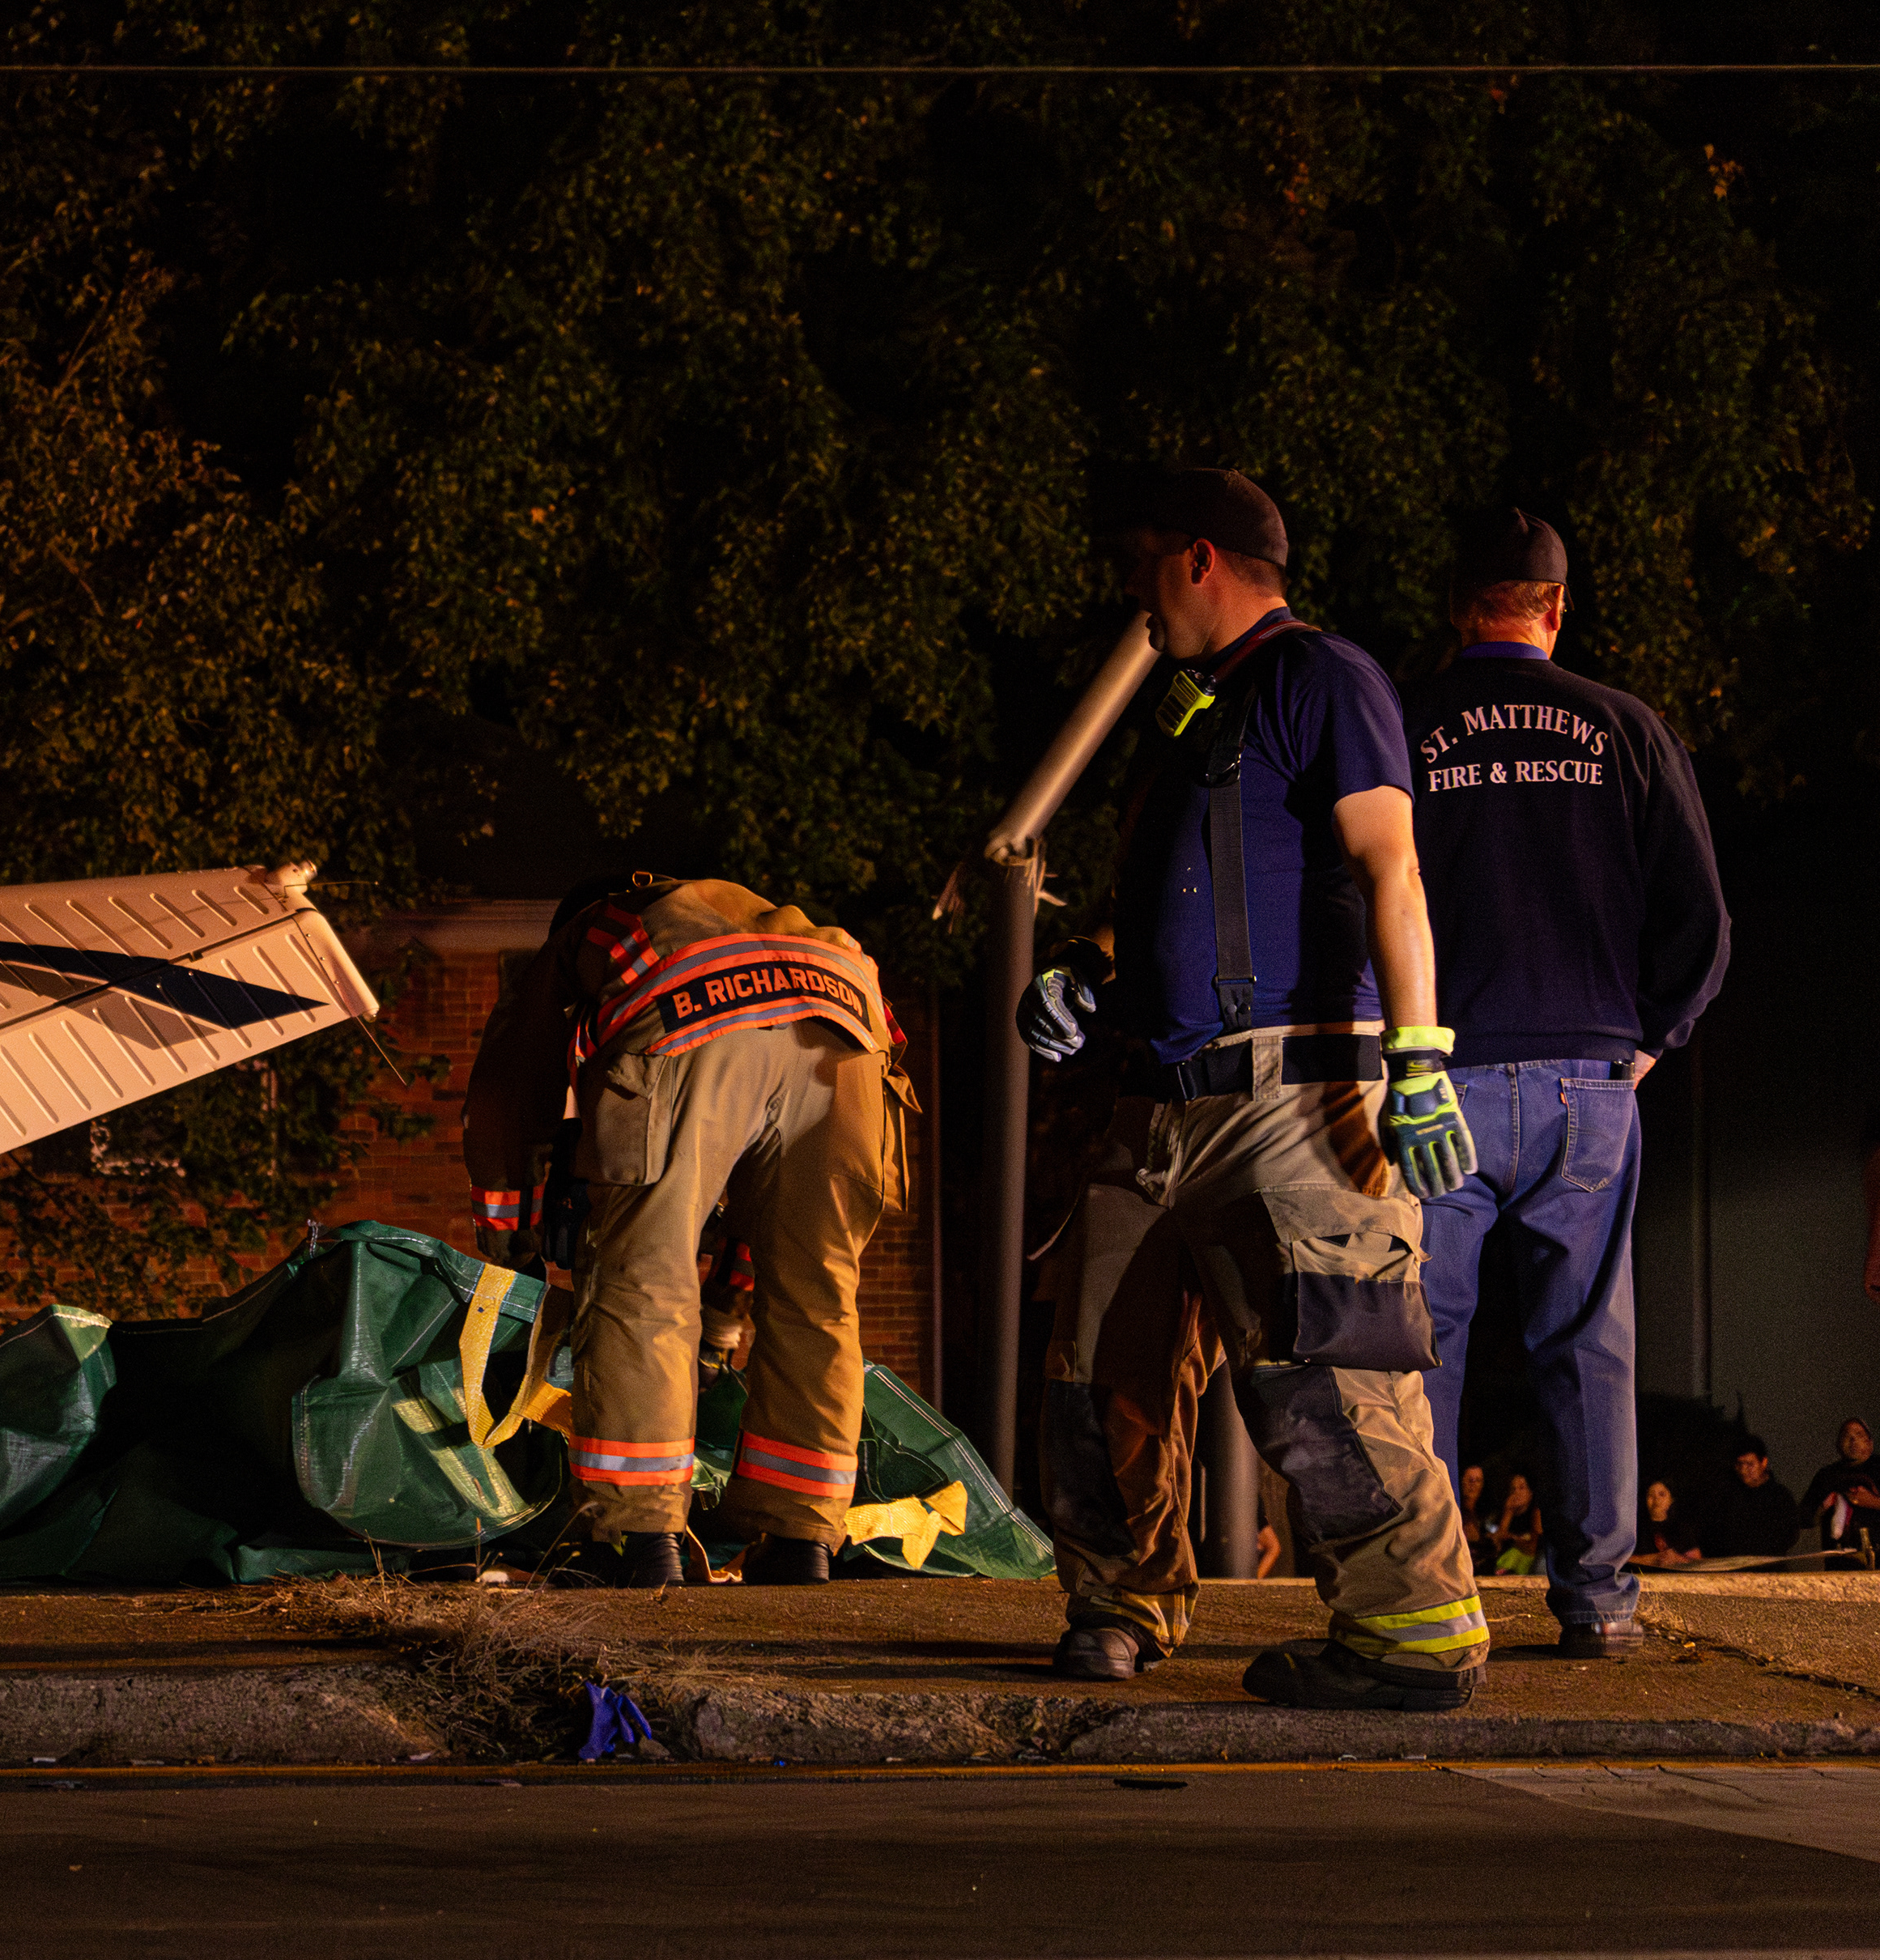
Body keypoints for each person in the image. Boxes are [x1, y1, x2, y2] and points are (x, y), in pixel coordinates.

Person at [1019, 467, 1487, 1713]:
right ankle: (1120, 1602)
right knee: (1093, 1372)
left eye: (1141, 562)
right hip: (1154, 1103)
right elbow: (1189, 893)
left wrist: (1421, 1061)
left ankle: (1415, 1632)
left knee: (1326, 1371)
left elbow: (1391, 866)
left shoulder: (1322, 678)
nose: (1133, 590)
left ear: (1200, 560)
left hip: (1293, 1096)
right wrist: (1090, 967)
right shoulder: (1191, 708)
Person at [1398, 508, 1730, 1659]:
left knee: (1421, 1343)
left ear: (1460, 605)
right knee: (1587, 1343)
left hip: (1438, 1078)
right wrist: (1648, 1039)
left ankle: (1428, 1599)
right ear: (1554, 608)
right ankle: (1594, 1602)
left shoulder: (1405, 724)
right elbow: (1703, 920)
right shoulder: (1628, 728)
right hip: (1592, 1082)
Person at [464, 873, 909, 1588]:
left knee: (644, 1287)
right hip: (850, 1036)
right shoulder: (759, 920)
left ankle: (640, 1539)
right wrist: (728, 1311)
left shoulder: (595, 931)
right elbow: (751, 1192)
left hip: (690, 1020)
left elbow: (512, 1089)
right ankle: (801, 1539)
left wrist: (510, 1235)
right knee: (819, 1294)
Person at [1692, 1439, 1803, 1561]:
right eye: (1740, 1464)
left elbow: (1790, 1534)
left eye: (1750, 1465)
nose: (1744, 1471)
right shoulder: (1723, 1494)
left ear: (1763, 1462)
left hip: (1767, 1569)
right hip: (1729, 1569)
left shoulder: (1780, 1497)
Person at [1798, 1418, 1880, 1554]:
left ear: (1870, 1442)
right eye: (1846, 1436)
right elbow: (1804, 1518)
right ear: (1838, 1444)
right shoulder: (1826, 1476)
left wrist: (1873, 1502)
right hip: (1838, 1560)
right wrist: (1822, 1508)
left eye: (1859, 1435)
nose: (1853, 1440)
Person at [1631, 1480, 1702, 1571]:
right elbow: (1620, 1559)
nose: (1656, 1499)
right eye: (1651, 1495)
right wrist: (1653, 1559)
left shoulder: (1681, 1529)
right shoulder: (1635, 1529)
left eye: (1661, 1494)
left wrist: (1677, 1559)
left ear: (1670, 1500)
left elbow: (1698, 1563)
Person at [1486, 1471, 1545, 1576]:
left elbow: (1533, 1548)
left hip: (1529, 1564)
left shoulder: (1535, 1512)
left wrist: (1512, 1539)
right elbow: (1499, 1542)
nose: (1516, 1493)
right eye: (1513, 1489)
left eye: (1522, 1488)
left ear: (1530, 1493)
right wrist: (1508, 1511)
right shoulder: (1506, 1512)